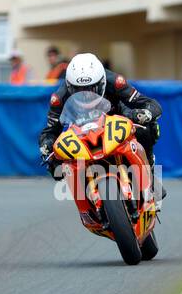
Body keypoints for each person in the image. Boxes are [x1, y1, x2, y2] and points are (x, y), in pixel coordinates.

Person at [37, 52, 163, 198]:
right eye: (78, 90)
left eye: (91, 89)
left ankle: (150, 172)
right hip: (81, 131)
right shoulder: (58, 98)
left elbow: (150, 103)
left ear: (102, 82)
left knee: (148, 128)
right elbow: (50, 131)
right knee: (56, 167)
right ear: (70, 86)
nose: (86, 95)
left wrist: (144, 114)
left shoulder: (116, 82)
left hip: (115, 118)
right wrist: (46, 147)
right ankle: (87, 204)